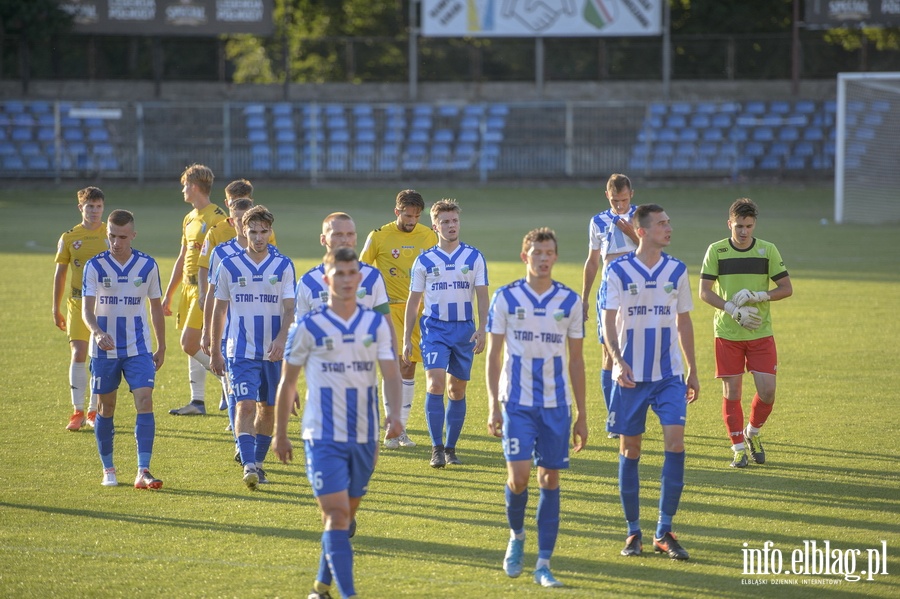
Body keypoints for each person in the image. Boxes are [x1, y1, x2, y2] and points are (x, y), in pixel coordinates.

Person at [272, 247, 403, 599]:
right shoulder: (308, 326)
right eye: (339, 274)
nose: (346, 280)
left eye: (352, 274)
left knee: (344, 518)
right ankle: (349, 594)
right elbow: (288, 382)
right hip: (322, 435)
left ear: (359, 279)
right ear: (327, 279)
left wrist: (395, 413)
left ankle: (320, 588)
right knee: (335, 513)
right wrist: (280, 434)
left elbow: (391, 373)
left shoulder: (375, 324)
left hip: (364, 435)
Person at [486, 228, 588, 588]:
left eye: (549, 253)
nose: (543, 258)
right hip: (516, 402)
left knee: (550, 478)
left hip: (556, 406)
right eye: (536, 252)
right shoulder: (506, 298)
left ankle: (544, 563)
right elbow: (494, 355)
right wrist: (492, 406)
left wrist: (582, 413)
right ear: (524, 256)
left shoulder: (570, 302)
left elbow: (577, 361)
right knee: (519, 478)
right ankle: (516, 537)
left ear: (556, 258)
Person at [602, 203, 699, 560]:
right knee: (631, 450)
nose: (668, 228)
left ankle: (664, 530)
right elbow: (608, 321)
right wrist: (617, 360)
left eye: (669, 222)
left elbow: (684, 321)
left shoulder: (677, 270)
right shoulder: (618, 270)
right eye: (661, 224)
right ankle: (633, 532)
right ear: (640, 231)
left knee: (675, 443)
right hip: (630, 377)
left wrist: (692, 368)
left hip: (668, 375)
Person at [699, 198, 792, 468]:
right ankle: (738, 448)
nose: (743, 232)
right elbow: (704, 292)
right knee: (733, 392)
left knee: (768, 392)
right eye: (738, 226)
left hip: (760, 332)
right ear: (729, 223)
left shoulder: (767, 250)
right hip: (728, 332)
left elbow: (786, 288)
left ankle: (753, 433)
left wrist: (760, 294)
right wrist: (731, 309)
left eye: (748, 226)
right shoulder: (716, 251)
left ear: (754, 225)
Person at [209, 205, 295, 489]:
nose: (259, 237)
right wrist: (215, 349)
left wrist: (282, 339)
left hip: (273, 352)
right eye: (253, 232)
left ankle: (258, 464)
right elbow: (219, 311)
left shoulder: (283, 265)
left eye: (264, 232)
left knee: (267, 410)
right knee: (245, 405)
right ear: (243, 231)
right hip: (240, 351)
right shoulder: (229, 266)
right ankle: (248, 464)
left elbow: (290, 309)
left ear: (271, 232)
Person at [81, 209, 166, 488]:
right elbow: (87, 310)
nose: (116, 242)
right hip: (104, 350)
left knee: (145, 400)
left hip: (138, 348)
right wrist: (96, 332)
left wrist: (161, 345)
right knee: (107, 407)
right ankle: (109, 470)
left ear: (133, 235)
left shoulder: (147, 265)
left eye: (122, 237)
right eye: (111, 236)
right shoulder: (94, 266)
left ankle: (143, 470)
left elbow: (155, 307)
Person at [404, 199, 489, 468]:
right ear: (435, 226)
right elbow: (413, 300)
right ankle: (436, 449)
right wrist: (407, 337)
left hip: (464, 329)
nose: (451, 226)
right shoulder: (424, 260)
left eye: (454, 221)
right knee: (436, 384)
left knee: (457, 389)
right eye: (445, 222)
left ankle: (451, 449)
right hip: (435, 329)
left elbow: (483, 296)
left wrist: (483, 328)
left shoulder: (474, 257)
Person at [361, 189, 438, 449]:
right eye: (407, 215)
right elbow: (361, 269)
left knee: (408, 366)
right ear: (397, 212)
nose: (412, 220)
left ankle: (399, 429)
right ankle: (391, 429)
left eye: (416, 216)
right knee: (393, 366)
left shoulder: (429, 236)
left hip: (418, 311)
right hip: (388, 310)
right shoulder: (378, 236)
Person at [163, 163, 228, 416]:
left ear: (194, 186)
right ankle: (197, 402)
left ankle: (228, 378)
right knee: (196, 345)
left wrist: (209, 292)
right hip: (188, 289)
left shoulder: (217, 217)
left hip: (205, 289)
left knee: (189, 343)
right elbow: (182, 257)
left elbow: (223, 257)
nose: (183, 191)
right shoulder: (189, 218)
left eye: (184, 186)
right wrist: (169, 292)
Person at [581, 174, 639, 439]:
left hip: (637, 294)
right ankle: (615, 415)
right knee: (608, 354)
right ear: (607, 196)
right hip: (609, 294)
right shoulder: (597, 221)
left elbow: (657, 249)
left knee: (634, 354)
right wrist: (583, 298)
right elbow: (592, 262)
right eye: (615, 200)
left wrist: (633, 234)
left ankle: (633, 409)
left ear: (632, 194)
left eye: (624, 200)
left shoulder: (643, 217)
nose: (620, 205)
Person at [53, 186, 108, 431]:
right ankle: (76, 410)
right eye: (90, 207)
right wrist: (55, 308)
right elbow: (60, 274)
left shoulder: (111, 233)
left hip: (105, 303)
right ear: (80, 208)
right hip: (77, 302)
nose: (95, 211)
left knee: (99, 358)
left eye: (98, 207)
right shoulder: (68, 237)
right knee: (78, 354)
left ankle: (94, 411)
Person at [200, 198, 254, 443]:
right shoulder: (220, 252)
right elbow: (212, 295)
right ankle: (240, 442)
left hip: (256, 332)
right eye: (239, 220)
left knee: (256, 394)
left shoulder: (267, 250)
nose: (243, 225)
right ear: (232, 221)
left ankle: (250, 437)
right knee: (233, 390)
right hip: (228, 332)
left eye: (248, 220)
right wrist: (206, 331)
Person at [295, 212, 390, 319]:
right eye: (338, 234)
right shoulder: (307, 282)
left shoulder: (373, 276)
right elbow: (299, 329)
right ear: (323, 239)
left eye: (350, 234)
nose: (345, 240)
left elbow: (385, 325)